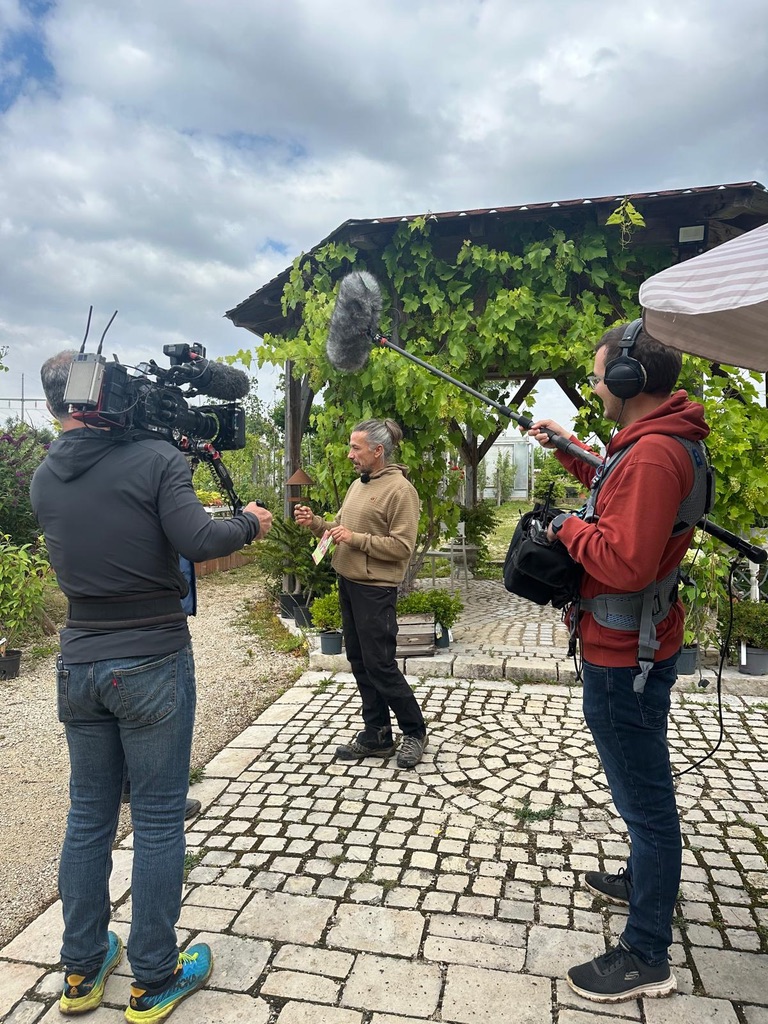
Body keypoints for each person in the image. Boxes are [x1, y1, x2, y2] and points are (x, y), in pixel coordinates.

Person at [30, 350, 272, 1021]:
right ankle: (154, 978)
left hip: (79, 662)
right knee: (160, 819)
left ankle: (80, 973)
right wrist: (252, 520)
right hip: (151, 659)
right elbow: (198, 539)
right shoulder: (157, 461)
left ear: (59, 407)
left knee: (89, 816)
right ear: (109, 395)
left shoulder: (45, 476)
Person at [527, 321, 709, 1003]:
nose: (595, 385)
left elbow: (627, 561)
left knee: (645, 801)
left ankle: (645, 953)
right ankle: (646, 880)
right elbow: (621, 491)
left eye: (600, 375)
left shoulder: (656, 454)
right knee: (642, 788)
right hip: (638, 645)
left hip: (620, 656)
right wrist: (572, 453)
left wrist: (561, 526)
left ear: (630, 382)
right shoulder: (654, 445)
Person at [294, 418, 428, 769]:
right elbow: (341, 530)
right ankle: (377, 734)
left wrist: (356, 540)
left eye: (356, 447)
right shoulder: (358, 486)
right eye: (350, 446)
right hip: (349, 583)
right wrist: (317, 525)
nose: (350, 454)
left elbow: (402, 547)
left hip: (376, 591)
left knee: (380, 665)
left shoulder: (401, 491)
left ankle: (415, 731)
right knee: (358, 660)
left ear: (378, 450)